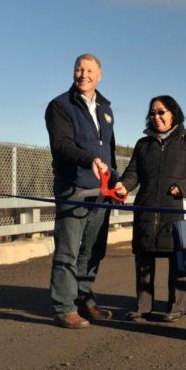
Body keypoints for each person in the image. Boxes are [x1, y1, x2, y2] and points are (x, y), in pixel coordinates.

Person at [113, 95, 186, 323]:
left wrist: (184, 187)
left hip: (176, 211)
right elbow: (133, 172)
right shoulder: (143, 144)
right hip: (147, 210)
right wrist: (124, 185)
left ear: (173, 113)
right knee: (144, 261)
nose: (156, 117)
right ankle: (143, 307)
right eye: (152, 113)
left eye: (161, 112)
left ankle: (176, 307)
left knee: (178, 261)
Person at [45, 53, 117, 329]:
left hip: (101, 190)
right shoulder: (60, 106)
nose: (83, 75)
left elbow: (108, 149)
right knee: (68, 251)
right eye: (79, 69)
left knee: (93, 250)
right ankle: (64, 307)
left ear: (99, 75)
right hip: (73, 188)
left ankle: (85, 299)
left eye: (89, 70)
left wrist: (115, 178)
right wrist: (89, 160)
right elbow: (61, 144)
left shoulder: (106, 109)